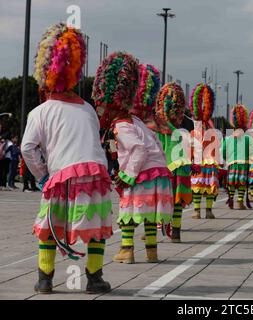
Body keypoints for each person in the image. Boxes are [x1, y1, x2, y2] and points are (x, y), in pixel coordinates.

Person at [21, 23, 112, 294]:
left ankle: (45, 279)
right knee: (96, 227)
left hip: (62, 174)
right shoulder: (88, 109)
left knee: (50, 225)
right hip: (96, 172)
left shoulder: (41, 111)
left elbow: (27, 147)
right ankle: (95, 279)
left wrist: (43, 175)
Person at [94, 59, 174, 264]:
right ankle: (151, 251)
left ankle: (127, 250)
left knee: (128, 211)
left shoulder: (122, 125)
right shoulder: (136, 121)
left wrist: (127, 175)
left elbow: (138, 149)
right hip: (159, 173)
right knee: (148, 214)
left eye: (102, 108)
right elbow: (155, 144)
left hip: (142, 173)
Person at [148, 82, 192, 242]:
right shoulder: (187, 124)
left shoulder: (154, 125)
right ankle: (176, 232)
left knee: (157, 200)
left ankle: (151, 233)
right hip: (181, 166)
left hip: (162, 168)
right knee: (178, 201)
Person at [189, 84, 220, 218]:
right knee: (208, 188)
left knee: (197, 188)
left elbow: (190, 149)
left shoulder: (193, 133)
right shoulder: (212, 133)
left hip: (197, 164)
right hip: (210, 164)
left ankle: (197, 211)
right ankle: (208, 211)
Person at [223, 105, 253, 209]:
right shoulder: (248, 138)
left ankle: (231, 198)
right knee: (242, 183)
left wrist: (226, 159)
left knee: (231, 183)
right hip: (243, 164)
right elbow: (252, 151)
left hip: (231, 163)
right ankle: (240, 201)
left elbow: (223, 152)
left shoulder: (227, 138)